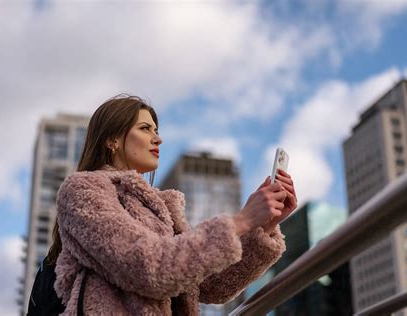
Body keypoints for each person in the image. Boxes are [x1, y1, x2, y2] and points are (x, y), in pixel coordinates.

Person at [46, 94, 297, 315]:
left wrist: (262, 227)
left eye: (156, 130)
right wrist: (241, 221)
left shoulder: (163, 209)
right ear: (112, 140)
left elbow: (209, 287)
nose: (158, 139)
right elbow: (147, 266)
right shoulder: (81, 190)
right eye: (145, 129)